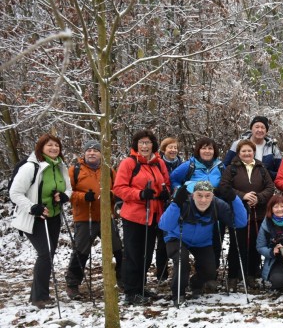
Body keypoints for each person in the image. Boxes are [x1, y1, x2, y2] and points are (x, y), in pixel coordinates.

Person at [158, 181, 246, 306]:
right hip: (177, 237)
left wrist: (234, 199)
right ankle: (179, 293)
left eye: (207, 195)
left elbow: (239, 223)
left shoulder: (218, 205)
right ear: (193, 195)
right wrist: (176, 203)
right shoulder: (184, 203)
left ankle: (196, 284)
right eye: (199, 195)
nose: (203, 200)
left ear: (213, 196)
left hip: (202, 241)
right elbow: (165, 225)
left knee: (210, 271)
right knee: (182, 260)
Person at [10, 134, 72, 309]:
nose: (54, 148)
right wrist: (32, 207)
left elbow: (68, 187)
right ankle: (40, 297)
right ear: (41, 148)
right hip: (34, 218)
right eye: (49, 145)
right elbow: (15, 193)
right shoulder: (31, 167)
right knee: (45, 254)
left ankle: (37, 294)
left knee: (49, 255)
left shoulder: (60, 166)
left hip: (53, 216)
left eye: (56, 146)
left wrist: (65, 196)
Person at [112, 130, 171, 305]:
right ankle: (131, 291)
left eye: (147, 142)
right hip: (134, 215)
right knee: (133, 254)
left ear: (153, 144)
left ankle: (141, 287)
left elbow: (165, 183)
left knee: (146, 253)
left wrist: (164, 193)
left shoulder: (159, 163)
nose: (144, 146)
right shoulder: (129, 163)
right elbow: (119, 188)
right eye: (141, 143)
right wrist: (139, 194)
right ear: (136, 145)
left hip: (153, 214)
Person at [64, 140, 123, 300]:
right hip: (84, 218)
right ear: (84, 153)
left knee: (117, 249)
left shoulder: (109, 170)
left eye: (95, 150)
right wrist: (84, 197)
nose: (92, 153)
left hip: (106, 217)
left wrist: (112, 196)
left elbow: (118, 189)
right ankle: (72, 284)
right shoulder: (74, 170)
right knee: (81, 251)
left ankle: (122, 279)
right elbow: (66, 192)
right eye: (89, 150)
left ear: (101, 154)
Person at [219, 139, 275, 289]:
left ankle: (251, 274)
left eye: (249, 151)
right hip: (237, 212)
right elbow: (224, 187)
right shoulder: (231, 168)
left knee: (255, 245)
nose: (247, 153)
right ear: (238, 153)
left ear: (254, 152)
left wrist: (259, 197)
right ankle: (233, 276)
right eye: (243, 151)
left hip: (258, 213)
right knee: (237, 245)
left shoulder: (261, 168)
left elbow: (270, 187)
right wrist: (243, 196)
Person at [155, 137, 182, 282]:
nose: (173, 150)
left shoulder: (182, 164)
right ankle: (161, 273)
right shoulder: (158, 164)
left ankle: (177, 270)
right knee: (161, 240)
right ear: (163, 149)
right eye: (170, 147)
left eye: (175, 148)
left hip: (177, 205)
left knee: (174, 238)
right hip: (162, 205)